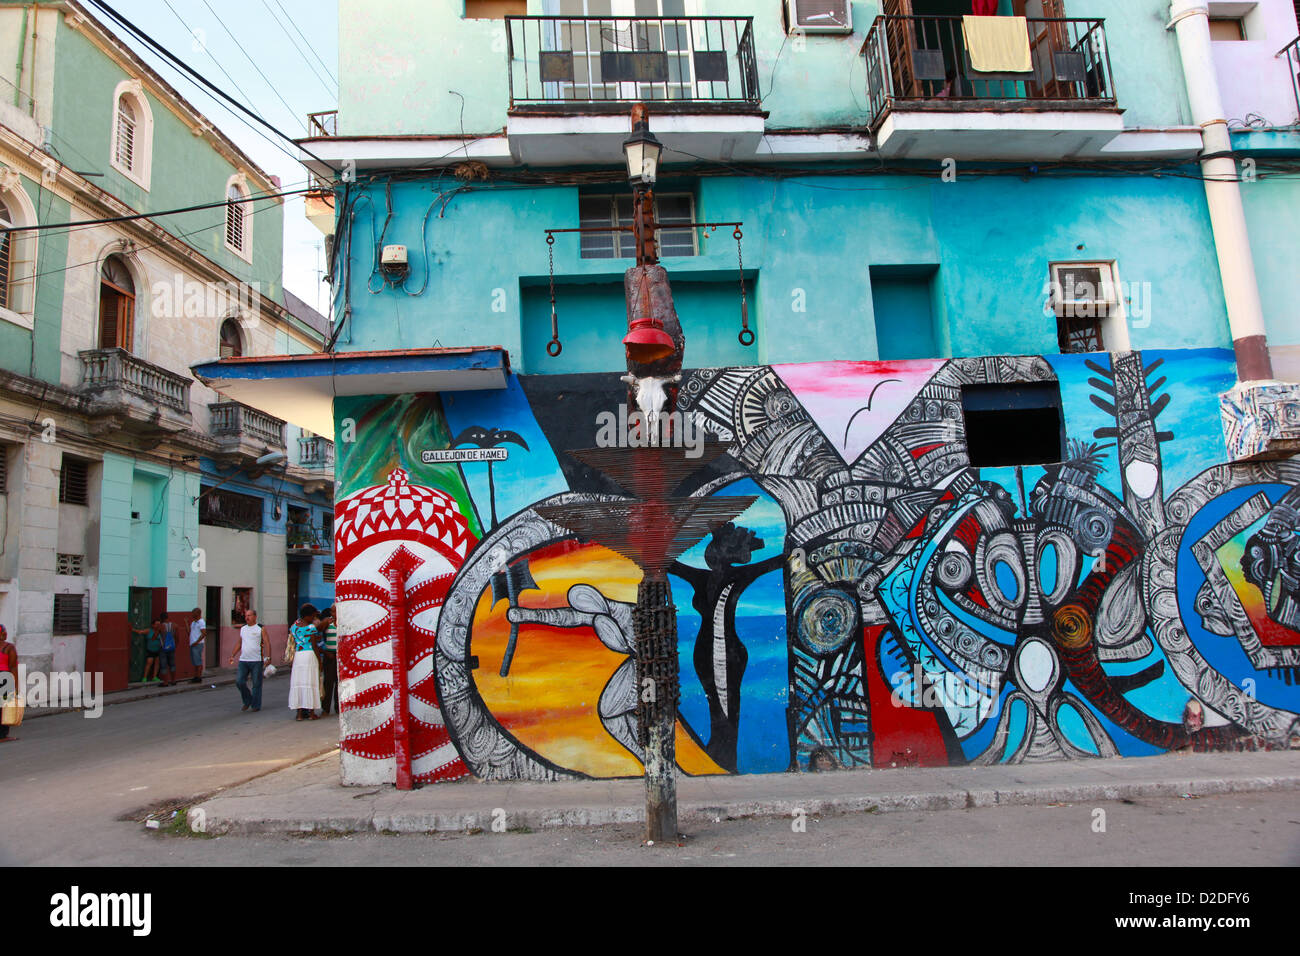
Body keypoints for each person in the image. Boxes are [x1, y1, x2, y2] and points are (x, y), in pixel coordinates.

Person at [228, 609, 269, 712]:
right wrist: (233, 654)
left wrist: (268, 657)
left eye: (249, 615)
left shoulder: (260, 628)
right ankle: (248, 700)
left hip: (256, 660)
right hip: (243, 660)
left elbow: (267, 643)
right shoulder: (243, 629)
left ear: (255, 616)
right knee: (239, 681)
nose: (247, 617)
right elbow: (239, 643)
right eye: (246, 615)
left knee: (256, 684)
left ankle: (255, 705)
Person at [288, 604, 322, 721]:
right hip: (309, 655)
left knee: (299, 683)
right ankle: (311, 713)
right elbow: (314, 645)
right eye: (312, 616)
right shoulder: (311, 627)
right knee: (310, 682)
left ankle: (299, 714)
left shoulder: (294, 627)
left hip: (298, 656)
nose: (313, 618)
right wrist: (320, 661)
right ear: (307, 616)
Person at [317, 606, 339, 715]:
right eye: (332, 611)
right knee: (328, 682)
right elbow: (318, 631)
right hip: (329, 654)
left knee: (342, 682)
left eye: (335, 610)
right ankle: (325, 708)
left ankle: (339, 708)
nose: (334, 613)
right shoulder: (328, 622)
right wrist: (324, 622)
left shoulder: (344, 622)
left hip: (341, 656)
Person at [0, 624, 18, 742]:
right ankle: (2, 735)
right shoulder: (9, 648)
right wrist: (15, 685)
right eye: (5, 632)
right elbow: (13, 667)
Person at [136, 617, 162, 684]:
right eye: (156, 624)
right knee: (149, 663)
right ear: (152, 625)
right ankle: (145, 677)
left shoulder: (160, 631)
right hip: (150, 650)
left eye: (159, 624)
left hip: (158, 650)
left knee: (157, 663)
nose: (158, 626)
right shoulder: (149, 631)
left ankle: (154, 677)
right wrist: (133, 630)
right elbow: (140, 632)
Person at [188, 607, 207, 684]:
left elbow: (204, 633)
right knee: (195, 661)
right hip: (193, 644)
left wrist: (197, 641)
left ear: (198, 614)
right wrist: (186, 623)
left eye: (194, 613)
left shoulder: (201, 622)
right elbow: (189, 632)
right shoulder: (193, 622)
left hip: (198, 644)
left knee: (198, 661)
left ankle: (198, 677)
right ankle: (196, 676)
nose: (192, 615)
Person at [158, 613, 177, 686]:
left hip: (163, 648)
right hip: (171, 647)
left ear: (161, 619)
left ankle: (165, 682)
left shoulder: (160, 626)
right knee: (172, 664)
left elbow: (155, 636)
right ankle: (173, 680)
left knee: (163, 665)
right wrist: (175, 645)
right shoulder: (175, 626)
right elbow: (177, 637)